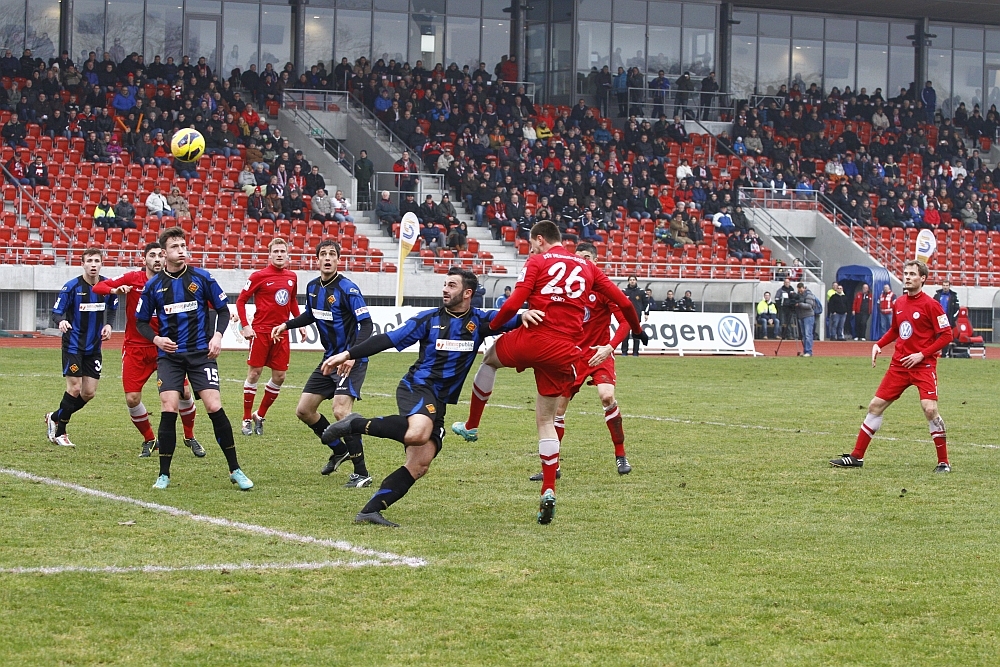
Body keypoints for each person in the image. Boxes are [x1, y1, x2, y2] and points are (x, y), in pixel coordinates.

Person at [451, 220, 645, 524]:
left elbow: (515, 301)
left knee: (489, 359)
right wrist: (636, 330)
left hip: (534, 339)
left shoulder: (538, 261)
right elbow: (626, 304)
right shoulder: (589, 268)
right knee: (546, 420)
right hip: (566, 351)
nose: (531, 248)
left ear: (540, 240)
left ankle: (473, 424)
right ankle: (548, 488)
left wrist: (496, 325)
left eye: (531, 243)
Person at [135, 227, 253, 491]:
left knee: (213, 405)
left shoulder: (202, 278)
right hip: (170, 356)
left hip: (201, 354)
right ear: (164, 253)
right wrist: (156, 340)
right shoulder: (154, 285)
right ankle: (163, 473)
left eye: (183, 245)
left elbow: (223, 311)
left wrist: (218, 337)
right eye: (175, 247)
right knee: (169, 406)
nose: (181, 251)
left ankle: (235, 469)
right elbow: (141, 322)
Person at [830, 261, 954, 473]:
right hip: (899, 365)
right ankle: (856, 457)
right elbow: (896, 330)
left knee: (930, 409)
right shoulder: (900, 303)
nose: (907, 277)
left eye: (912, 274)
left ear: (922, 278)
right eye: (905, 273)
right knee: (874, 406)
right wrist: (879, 344)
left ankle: (944, 462)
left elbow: (947, 335)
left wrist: (921, 354)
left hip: (923, 365)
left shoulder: (931, 305)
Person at [270, 241, 374, 488]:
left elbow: (367, 326)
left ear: (339, 260)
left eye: (332, 254)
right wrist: (287, 324)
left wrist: (351, 355)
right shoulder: (313, 287)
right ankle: (339, 450)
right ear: (317, 259)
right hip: (329, 359)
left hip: (350, 360)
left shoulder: (348, 289)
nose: (327, 258)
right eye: (323, 254)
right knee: (304, 410)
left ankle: (362, 472)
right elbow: (310, 314)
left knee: (340, 411)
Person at [529, 243, 636, 481]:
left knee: (606, 395)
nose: (582, 262)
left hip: (599, 353)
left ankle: (621, 455)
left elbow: (626, 320)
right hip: (572, 355)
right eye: (579, 258)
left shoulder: (604, 289)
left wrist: (610, 347)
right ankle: (553, 466)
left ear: (596, 261)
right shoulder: (569, 290)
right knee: (558, 409)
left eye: (587, 258)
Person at [93, 243, 201, 457]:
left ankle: (189, 436)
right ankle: (150, 440)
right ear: (144, 260)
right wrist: (115, 289)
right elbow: (98, 287)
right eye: (152, 256)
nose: (157, 259)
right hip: (136, 348)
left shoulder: (174, 280)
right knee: (132, 398)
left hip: (167, 347)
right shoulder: (133, 278)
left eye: (161, 255)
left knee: (185, 392)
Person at [44, 248, 118, 448]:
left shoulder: (107, 286)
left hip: (94, 347)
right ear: (82, 264)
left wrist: (109, 324)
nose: (93, 264)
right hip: (73, 345)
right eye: (89, 261)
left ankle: (55, 416)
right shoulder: (72, 287)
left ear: (101, 263)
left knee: (88, 393)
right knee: (75, 388)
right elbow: (56, 312)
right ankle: (61, 432)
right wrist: (61, 322)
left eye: (97, 261)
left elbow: (113, 306)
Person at [236, 238, 301, 437]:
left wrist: (300, 323)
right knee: (254, 373)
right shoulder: (258, 276)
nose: (280, 254)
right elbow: (240, 301)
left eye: (283, 251)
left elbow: (291, 301)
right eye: (276, 251)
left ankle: (260, 415)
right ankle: (246, 418)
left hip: (281, 332)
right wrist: (246, 326)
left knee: (279, 377)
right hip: (261, 332)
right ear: (270, 255)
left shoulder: (292, 277)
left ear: (287, 255)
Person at [621, 275, 647, 356]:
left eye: (633, 280)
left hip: (636, 316)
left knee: (636, 334)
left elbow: (646, 304)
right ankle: (624, 352)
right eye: (631, 280)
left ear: (636, 281)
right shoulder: (624, 291)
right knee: (625, 334)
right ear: (628, 281)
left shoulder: (641, 292)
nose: (632, 281)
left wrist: (646, 313)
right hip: (626, 316)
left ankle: (635, 352)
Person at [794, 282, 820, 357]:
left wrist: (800, 304)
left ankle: (809, 351)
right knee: (804, 335)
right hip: (801, 316)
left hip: (808, 316)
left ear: (803, 288)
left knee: (808, 334)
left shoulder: (809, 294)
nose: (799, 291)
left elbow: (809, 306)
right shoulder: (799, 295)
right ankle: (805, 351)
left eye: (800, 290)